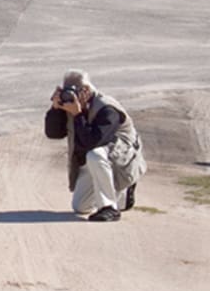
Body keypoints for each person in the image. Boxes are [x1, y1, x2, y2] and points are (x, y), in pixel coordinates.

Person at [44, 70, 146, 222]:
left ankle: (109, 208)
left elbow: (93, 142)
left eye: (74, 91)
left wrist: (78, 115)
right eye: (66, 91)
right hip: (96, 161)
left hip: (123, 161)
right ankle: (120, 196)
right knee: (80, 207)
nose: (70, 96)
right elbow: (53, 134)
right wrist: (55, 109)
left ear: (86, 90)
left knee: (95, 154)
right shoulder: (71, 106)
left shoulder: (107, 108)